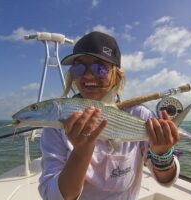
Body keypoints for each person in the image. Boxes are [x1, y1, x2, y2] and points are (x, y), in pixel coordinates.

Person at [39, 31, 180, 200]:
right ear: (72, 76)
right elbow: (53, 196)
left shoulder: (139, 114)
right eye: (78, 67)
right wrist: (81, 153)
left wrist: (162, 153)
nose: (89, 75)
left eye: (100, 68)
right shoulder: (58, 123)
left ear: (116, 76)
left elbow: (166, 180)